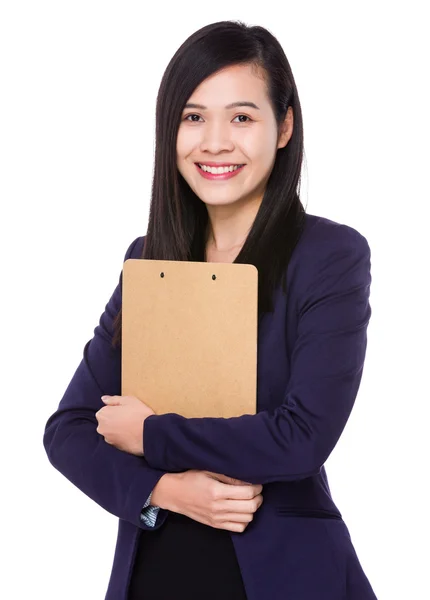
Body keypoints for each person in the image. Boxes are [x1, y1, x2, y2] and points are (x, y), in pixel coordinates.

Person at [43, 19, 378, 600]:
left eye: (242, 117)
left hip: (284, 576)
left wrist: (151, 435)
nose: (214, 141)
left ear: (284, 127)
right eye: (193, 116)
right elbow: (68, 431)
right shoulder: (149, 259)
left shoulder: (329, 256)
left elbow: (301, 437)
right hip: (156, 572)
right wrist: (165, 492)